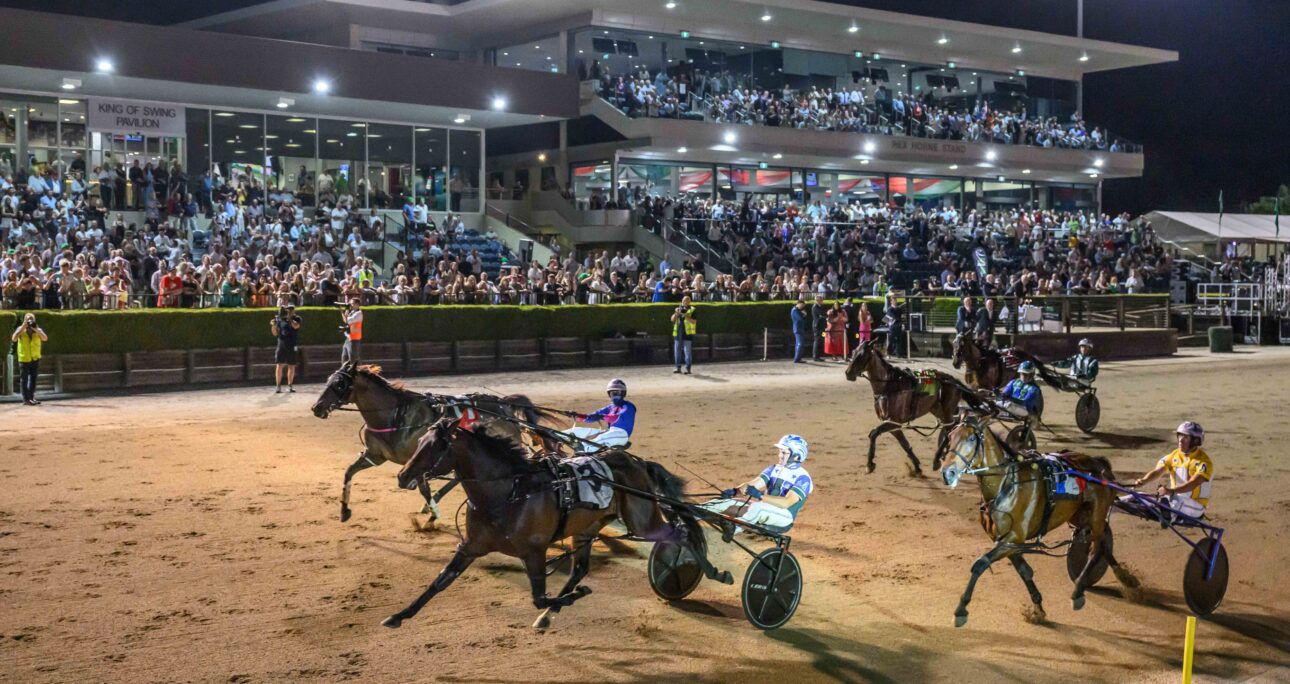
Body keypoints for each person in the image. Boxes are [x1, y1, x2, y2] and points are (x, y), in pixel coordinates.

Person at [703, 435, 813, 532]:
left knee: (758, 507)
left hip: (784, 516)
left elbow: (786, 503)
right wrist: (735, 491)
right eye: (780, 452)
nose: (780, 455)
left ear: (796, 456)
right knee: (726, 502)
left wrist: (759, 495)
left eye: (784, 453)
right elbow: (753, 484)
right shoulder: (774, 469)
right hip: (765, 508)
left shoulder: (803, 478)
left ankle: (734, 529)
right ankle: (692, 514)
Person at [1130, 421, 1213, 520]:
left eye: (1186, 437)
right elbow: (1157, 471)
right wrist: (1144, 480)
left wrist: (1171, 491)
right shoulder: (1174, 455)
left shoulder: (1204, 462)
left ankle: (1169, 516)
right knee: (1137, 496)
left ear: (1195, 441)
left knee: (1175, 500)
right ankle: (1114, 502)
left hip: (1195, 507)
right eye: (1180, 436)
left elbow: (1193, 483)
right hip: (1173, 498)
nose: (1181, 440)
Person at [566, 378, 635, 451]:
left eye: (617, 392)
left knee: (592, 443)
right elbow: (590, 417)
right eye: (613, 393)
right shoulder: (610, 407)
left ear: (623, 394)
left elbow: (615, 418)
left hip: (621, 435)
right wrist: (576, 415)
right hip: (609, 432)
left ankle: (583, 450)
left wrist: (601, 416)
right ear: (609, 394)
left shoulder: (628, 406)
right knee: (573, 431)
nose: (615, 395)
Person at [11, 313, 47, 406]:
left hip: (35, 357)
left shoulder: (38, 329)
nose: (30, 321)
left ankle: (31, 397)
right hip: (24, 358)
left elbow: (45, 338)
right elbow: (14, 339)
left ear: (34, 320)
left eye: (31, 319)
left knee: (33, 379)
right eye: (28, 319)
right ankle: (26, 399)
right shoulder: (20, 329)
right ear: (24, 320)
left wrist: (36, 329)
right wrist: (23, 327)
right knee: (24, 379)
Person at [271, 304, 302, 393]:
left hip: (292, 344)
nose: (289, 311)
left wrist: (290, 318)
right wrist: (274, 325)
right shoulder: (280, 319)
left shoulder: (297, 318)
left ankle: (290, 385)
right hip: (281, 344)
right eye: (288, 310)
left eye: (291, 310)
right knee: (279, 364)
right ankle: (278, 386)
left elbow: (296, 326)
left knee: (291, 365)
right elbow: (275, 333)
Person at [671, 295, 696, 375]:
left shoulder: (692, 310)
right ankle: (678, 367)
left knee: (687, 352)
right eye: (683, 300)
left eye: (686, 300)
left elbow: (694, 321)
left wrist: (685, 316)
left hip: (688, 334)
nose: (684, 302)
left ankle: (688, 368)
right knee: (677, 352)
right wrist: (676, 314)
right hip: (678, 334)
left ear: (689, 302)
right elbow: (672, 320)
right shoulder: (678, 309)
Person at [339, 298, 363, 364]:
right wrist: (342, 311)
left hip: (354, 339)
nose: (351, 305)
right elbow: (345, 320)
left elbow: (347, 320)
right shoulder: (352, 312)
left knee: (354, 360)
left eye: (352, 304)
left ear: (357, 305)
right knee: (344, 358)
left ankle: (359, 372)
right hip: (348, 338)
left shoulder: (358, 314)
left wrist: (346, 310)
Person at [791, 299, 809, 363]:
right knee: (800, 344)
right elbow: (799, 319)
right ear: (798, 304)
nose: (802, 307)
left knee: (798, 344)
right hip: (798, 329)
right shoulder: (795, 310)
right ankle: (797, 359)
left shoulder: (797, 310)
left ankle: (798, 358)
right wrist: (804, 314)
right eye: (802, 305)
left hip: (800, 328)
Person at [810, 294, 826, 361]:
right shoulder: (815, 307)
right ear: (817, 300)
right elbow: (821, 316)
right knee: (817, 340)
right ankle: (815, 356)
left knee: (820, 341)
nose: (822, 301)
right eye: (821, 300)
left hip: (821, 326)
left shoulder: (820, 307)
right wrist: (825, 317)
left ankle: (818, 356)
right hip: (817, 326)